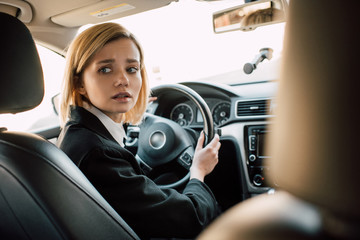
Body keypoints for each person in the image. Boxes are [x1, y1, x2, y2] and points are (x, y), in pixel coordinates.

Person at [56, 22, 221, 239]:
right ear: (79, 83)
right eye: (105, 69)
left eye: (132, 69)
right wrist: (198, 171)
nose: (123, 80)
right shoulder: (98, 153)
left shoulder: (79, 134)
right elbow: (192, 218)